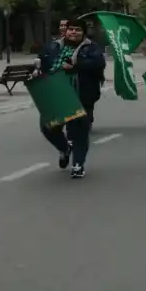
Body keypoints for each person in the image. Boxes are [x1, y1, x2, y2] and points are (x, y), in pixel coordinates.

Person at [33, 17, 106, 179]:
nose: (74, 32)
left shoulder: (91, 48)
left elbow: (98, 64)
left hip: (81, 94)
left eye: (78, 30)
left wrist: (76, 66)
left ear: (83, 33)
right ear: (65, 31)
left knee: (80, 131)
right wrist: (37, 70)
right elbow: (43, 62)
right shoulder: (53, 46)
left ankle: (78, 164)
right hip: (55, 94)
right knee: (48, 127)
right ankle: (65, 148)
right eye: (71, 29)